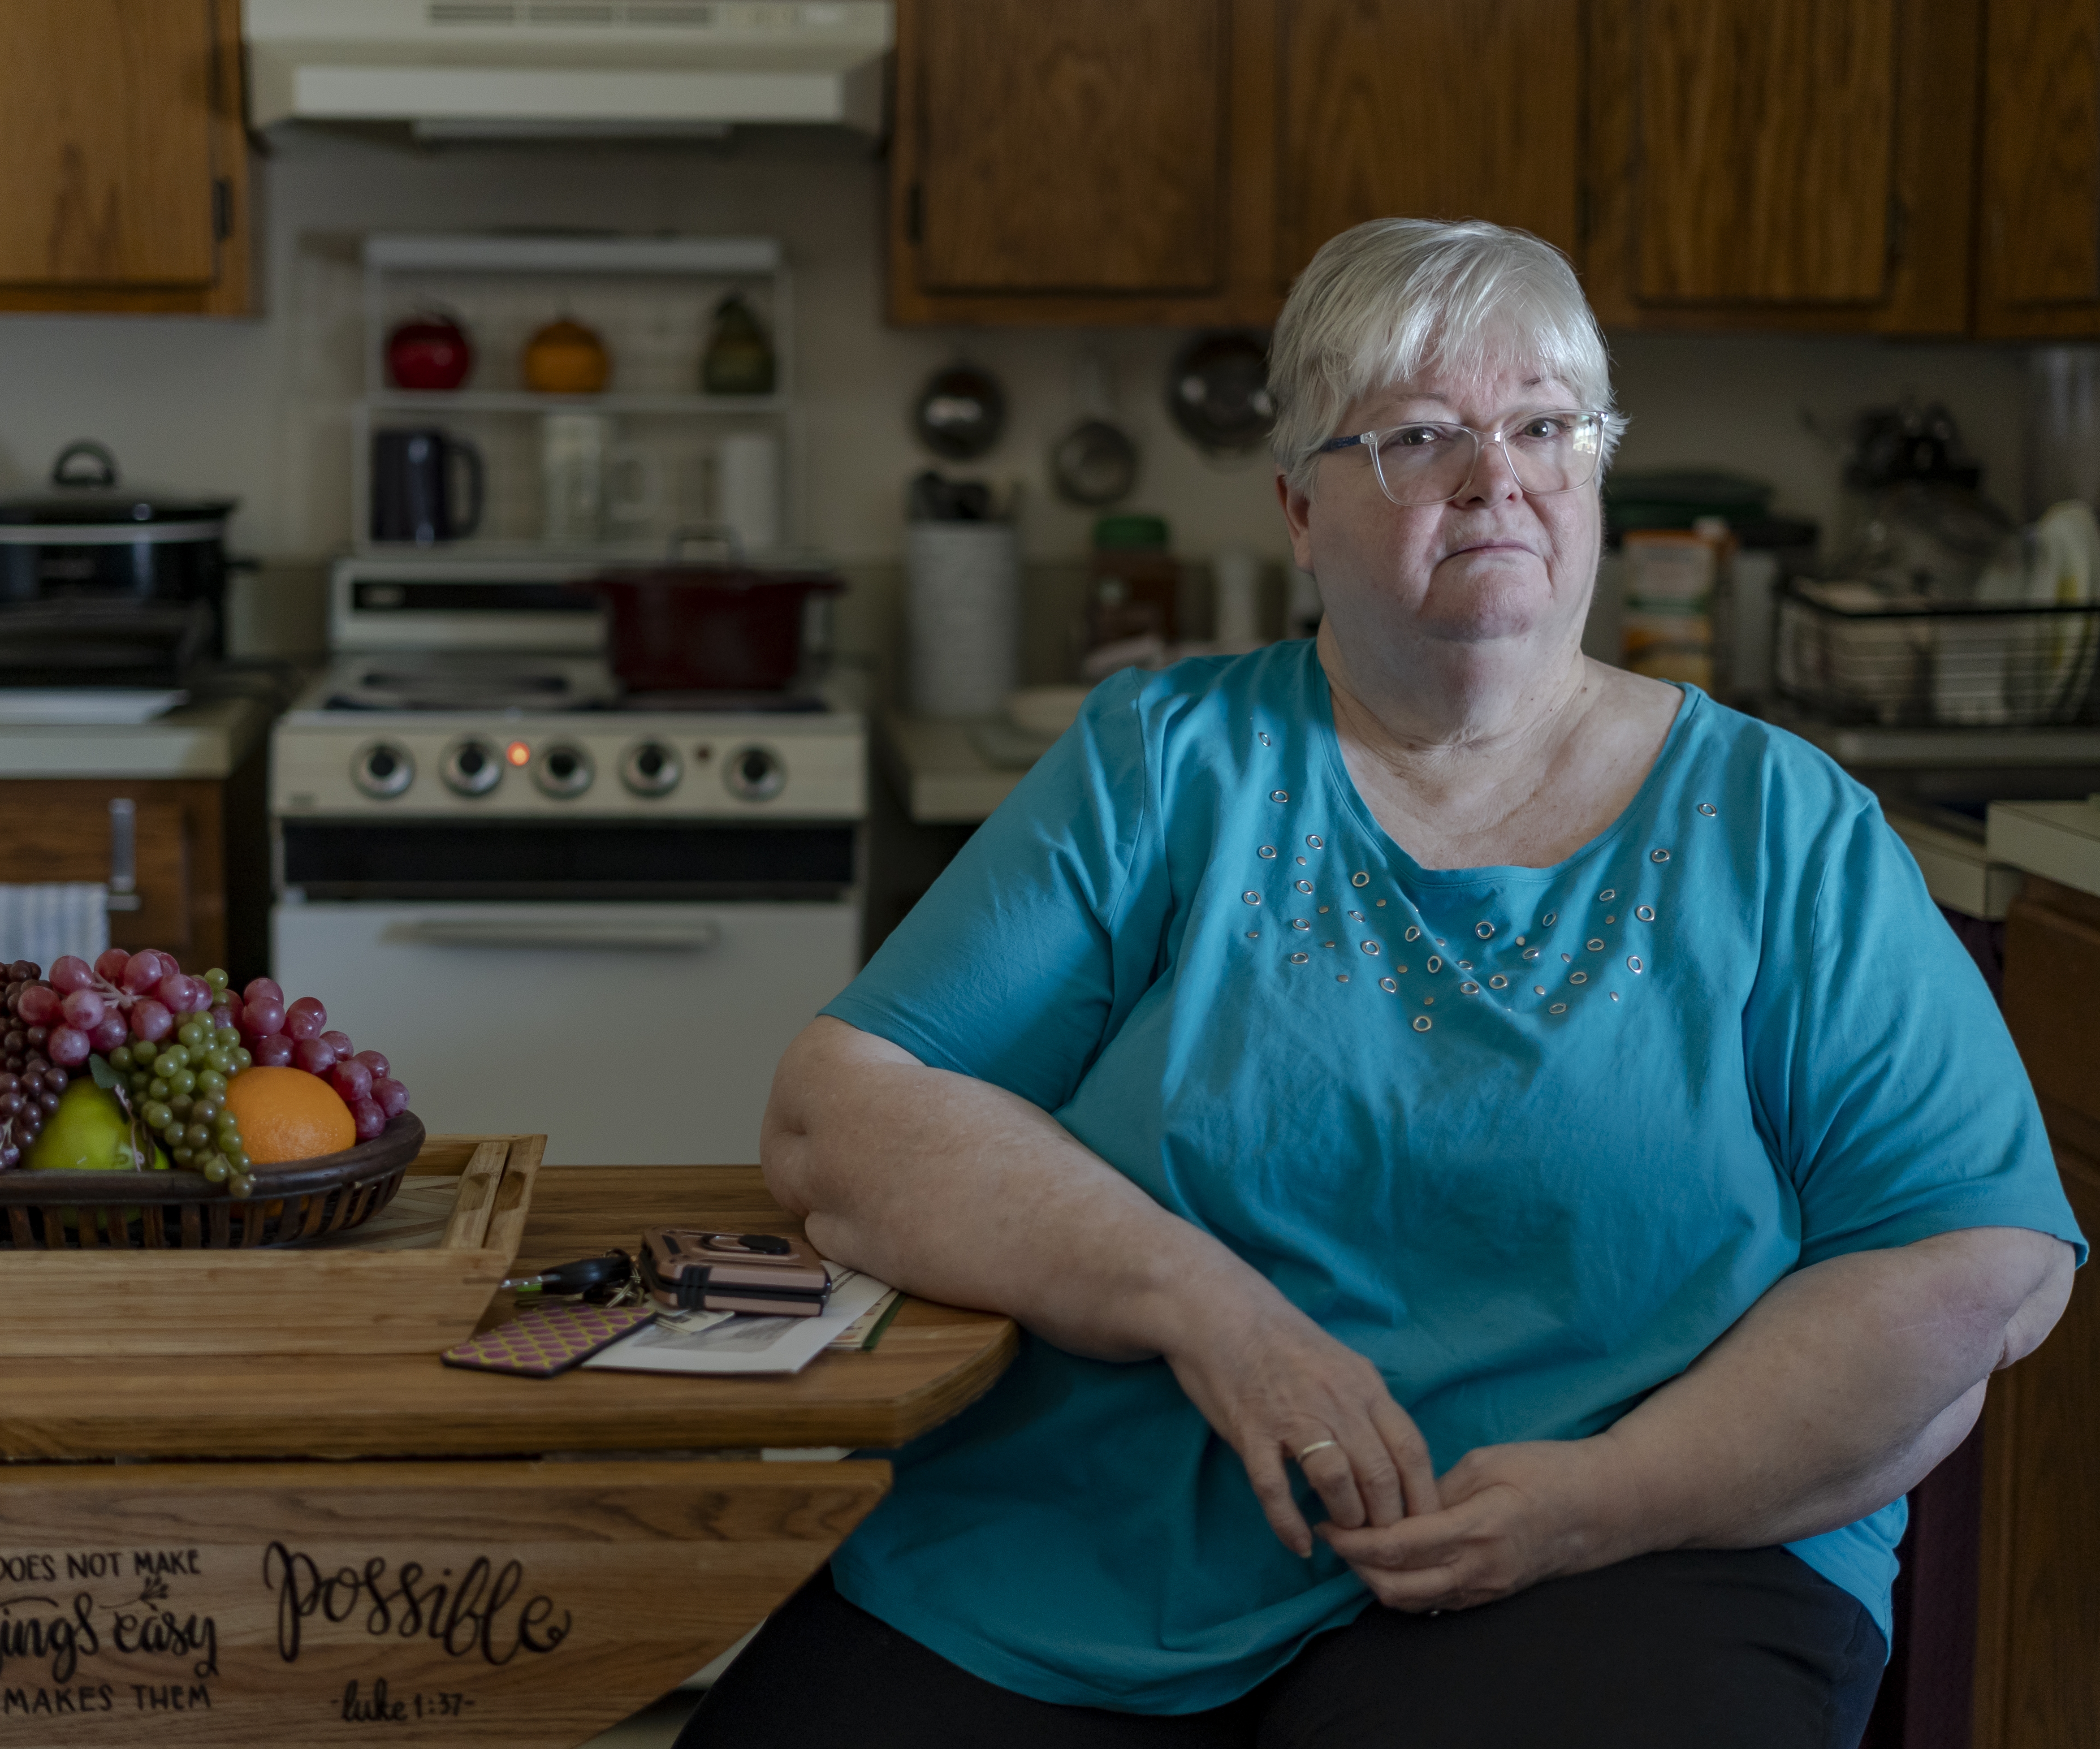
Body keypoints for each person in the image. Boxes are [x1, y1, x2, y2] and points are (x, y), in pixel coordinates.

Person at [677, 219, 2085, 1749]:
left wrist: (1604, 1500)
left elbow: (1974, 1263)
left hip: (1643, 1547)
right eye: (1419, 439)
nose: (1497, 480)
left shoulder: (1781, 823)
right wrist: (1206, 1307)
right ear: (1298, 506)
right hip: (1106, 1537)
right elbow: (844, 1119)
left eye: (1545, 427)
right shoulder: (1166, 763)